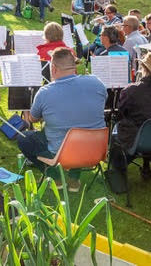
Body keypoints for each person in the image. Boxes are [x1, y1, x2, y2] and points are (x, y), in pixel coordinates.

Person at [18, 47, 107, 191]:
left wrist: (28, 110)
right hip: (96, 149)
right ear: (74, 66)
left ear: (53, 68)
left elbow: (33, 119)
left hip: (63, 152)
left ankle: (56, 178)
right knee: (79, 126)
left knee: (24, 138)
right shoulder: (97, 82)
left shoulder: (45, 92)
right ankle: (74, 179)